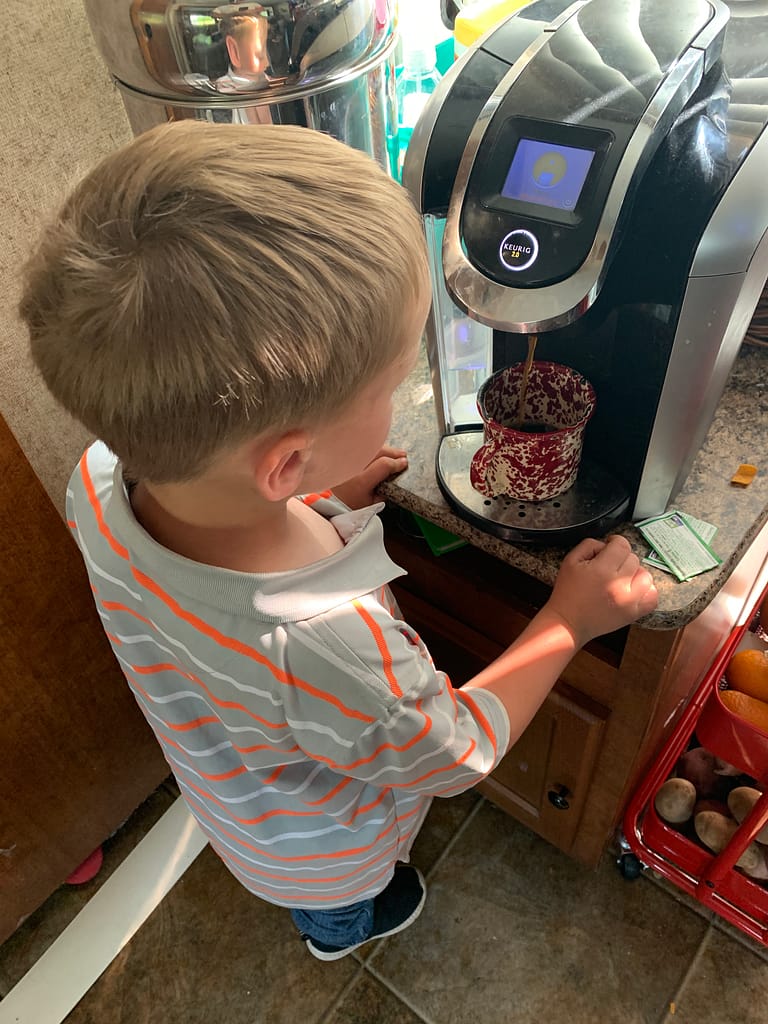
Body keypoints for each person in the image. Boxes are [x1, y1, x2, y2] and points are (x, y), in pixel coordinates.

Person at [19, 122, 658, 962]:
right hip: (327, 859)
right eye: (391, 385)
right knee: (345, 906)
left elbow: (217, 521)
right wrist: (569, 620)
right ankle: (339, 932)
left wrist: (322, 497)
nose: (399, 397)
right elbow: (456, 753)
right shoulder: (328, 644)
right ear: (284, 462)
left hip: (235, 803)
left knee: (295, 868)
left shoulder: (97, 478)